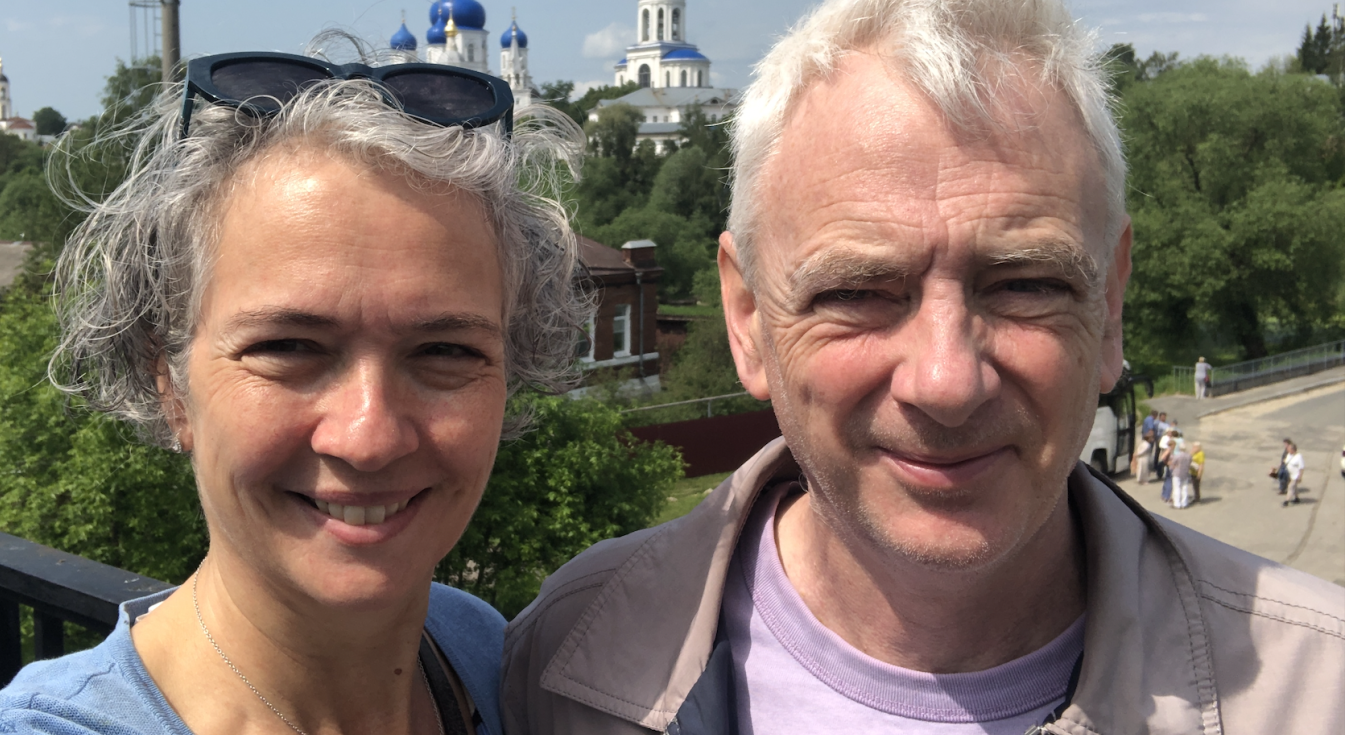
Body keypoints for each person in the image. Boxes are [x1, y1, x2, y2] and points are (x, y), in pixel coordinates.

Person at [501, 1, 1345, 733]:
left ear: (1110, 305)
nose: (944, 381)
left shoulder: (1312, 690)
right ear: (748, 318)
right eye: (861, 291)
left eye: (1025, 283)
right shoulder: (570, 665)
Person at [0, 40, 588, 735]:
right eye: (288, 347)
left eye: (444, 350)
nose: (369, 435)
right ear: (168, 379)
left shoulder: (478, 650)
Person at [1168, 442, 1193, 509]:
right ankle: (1184, 503)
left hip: (1177, 473)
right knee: (1184, 488)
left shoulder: (1178, 455)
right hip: (1185, 473)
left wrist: (1171, 468)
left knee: (1177, 488)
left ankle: (1177, 504)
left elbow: (1173, 464)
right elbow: (1190, 463)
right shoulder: (1189, 456)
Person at [1284, 443, 1306, 507]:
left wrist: (1300, 476)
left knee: (1290, 487)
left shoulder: (1299, 456)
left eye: (1289, 448)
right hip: (1290, 475)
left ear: (1293, 450)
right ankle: (1297, 498)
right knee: (1295, 487)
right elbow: (1286, 462)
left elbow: (1301, 467)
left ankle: (1286, 501)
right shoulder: (1289, 455)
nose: (1287, 449)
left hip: (1296, 475)